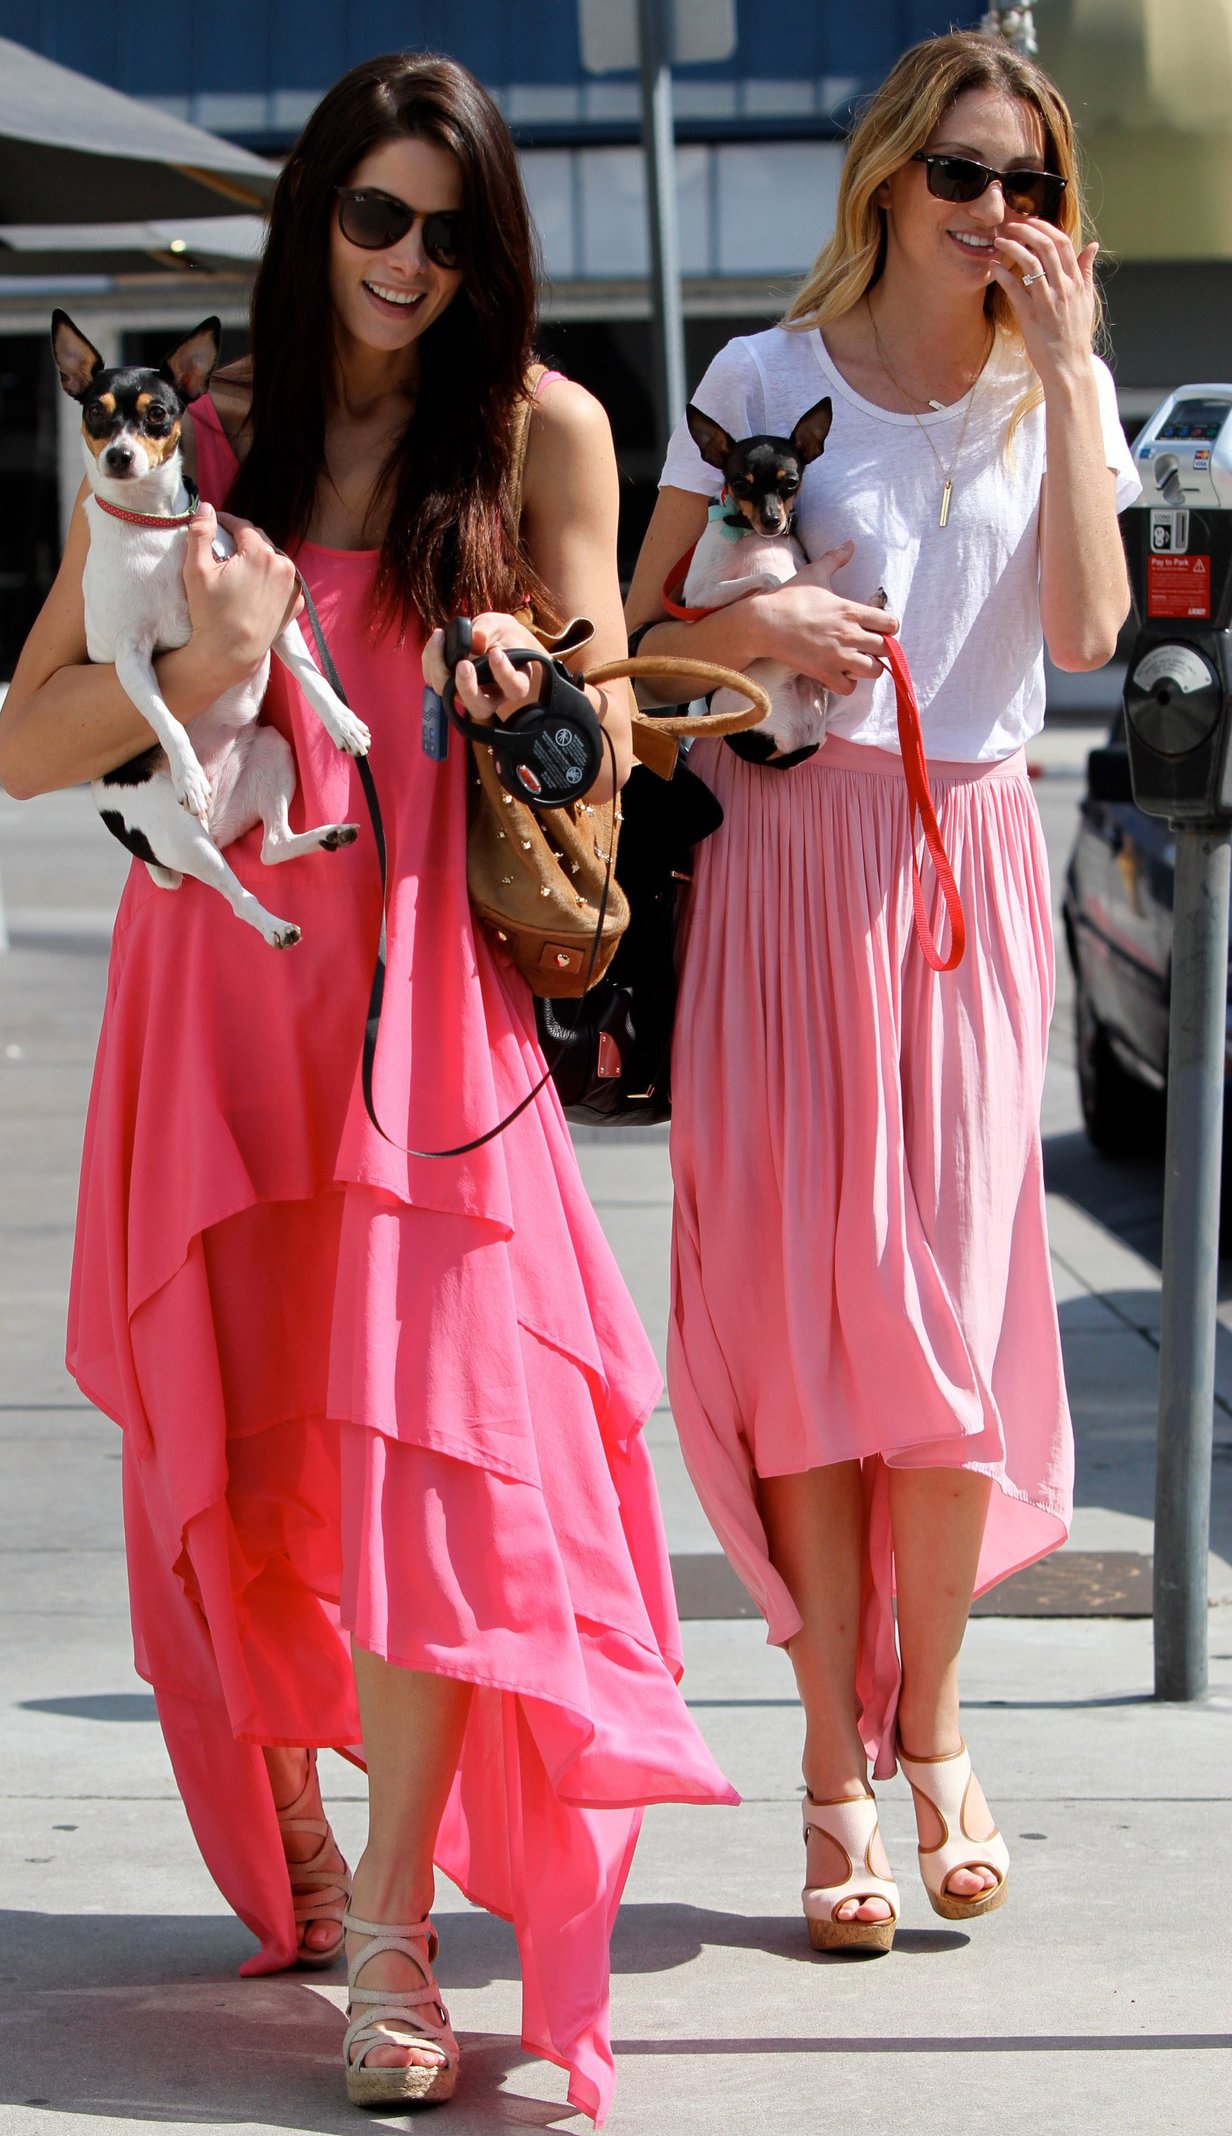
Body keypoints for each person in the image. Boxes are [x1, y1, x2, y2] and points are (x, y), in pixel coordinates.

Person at [0, 51, 733, 2119]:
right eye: (372, 216)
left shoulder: (544, 437)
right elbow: (30, 747)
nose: (407, 262)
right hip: (218, 1007)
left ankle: (398, 1923)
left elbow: (607, 756)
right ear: (313, 217)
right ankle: (303, 1830)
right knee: (237, 1464)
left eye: (448, 226)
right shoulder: (196, 447)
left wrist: (535, 703)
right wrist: (221, 666)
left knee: (425, 1464)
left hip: (426, 1023)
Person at [624, 29, 1138, 1953]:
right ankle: (833, 1779)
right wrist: (754, 624)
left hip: (968, 861)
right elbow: (637, 630)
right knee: (817, 1334)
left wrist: (1079, 374)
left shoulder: (1042, 395)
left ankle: (931, 1733)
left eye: (1034, 188)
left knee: (946, 1323)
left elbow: (1085, 630)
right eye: (967, 178)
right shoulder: (762, 378)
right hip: (781, 874)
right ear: (890, 182)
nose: (1000, 214)